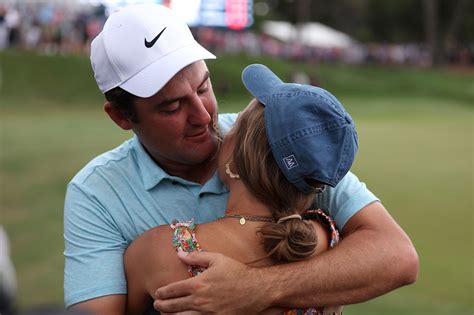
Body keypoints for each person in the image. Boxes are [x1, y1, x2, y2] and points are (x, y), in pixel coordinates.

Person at [64, 4, 418, 314]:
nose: (205, 117)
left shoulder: (267, 136)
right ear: (121, 117)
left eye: (203, 87)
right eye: (173, 106)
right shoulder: (95, 193)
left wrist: (253, 289)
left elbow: (397, 256)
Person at [124, 63, 357, 315]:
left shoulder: (161, 252)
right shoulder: (329, 239)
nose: (222, 128)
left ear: (236, 163)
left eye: (234, 126)